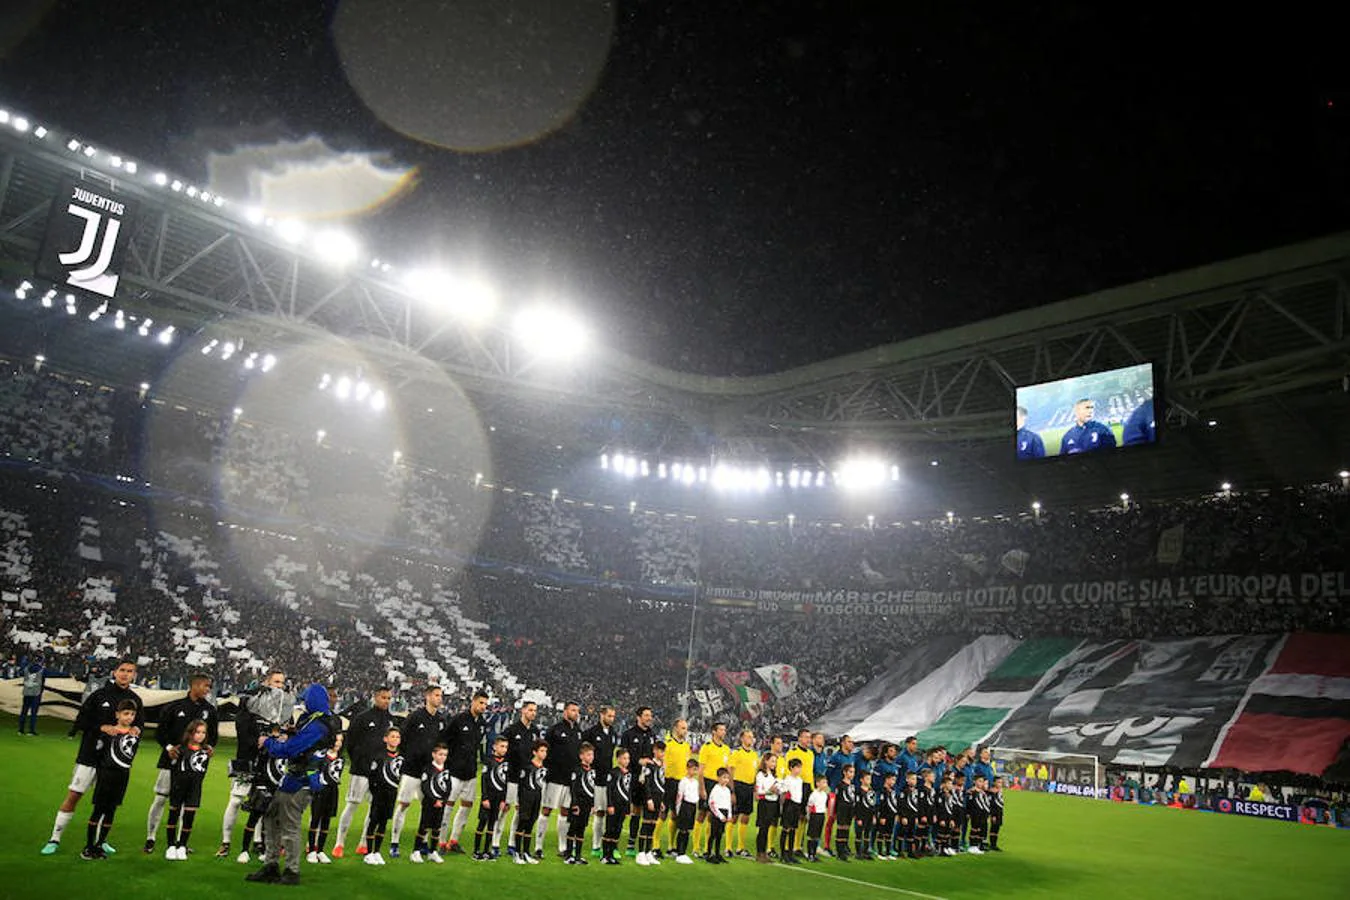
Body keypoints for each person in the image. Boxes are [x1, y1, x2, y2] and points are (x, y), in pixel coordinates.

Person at [42, 658, 143, 856]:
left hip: (114, 763)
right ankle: (54, 838)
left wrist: (136, 729)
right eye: (122, 670)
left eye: (130, 671)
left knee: (107, 803)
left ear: (134, 675)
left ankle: (100, 841)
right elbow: (81, 720)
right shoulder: (99, 695)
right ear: (115, 672)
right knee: (74, 795)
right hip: (90, 756)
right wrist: (101, 727)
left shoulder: (135, 700)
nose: (125, 674)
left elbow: (138, 725)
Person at [244, 683, 339, 886]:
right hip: (294, 778)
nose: (303, 703)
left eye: (306, 699)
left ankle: (291, 870)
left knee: (290, 825)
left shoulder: (317, 726)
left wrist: (268, 742)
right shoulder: (318, 720)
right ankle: (271, 865)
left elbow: (290, 750)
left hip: (301, 781)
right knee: (271, 817)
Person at [224, 670, 292, 863]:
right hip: (247, 760)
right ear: (266, 682)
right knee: (236, 800)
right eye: (276, 682)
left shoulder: (284, 709)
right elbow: (242, 728)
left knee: (263, 803)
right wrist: (258, 741)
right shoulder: (252, 702)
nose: (279, 686)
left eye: (282, 683)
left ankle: (258, 842)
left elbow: (288, 732)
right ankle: (226, 841)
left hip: (269, 764)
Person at [146, 672, 217, 854]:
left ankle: (180, 842)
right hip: (171, 761)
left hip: (193, 765)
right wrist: (169, 747)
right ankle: (151, 837)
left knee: (186, 803)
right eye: (205, 686)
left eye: (209, 687)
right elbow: (160, 732)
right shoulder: (175, 707)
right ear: (194, 685)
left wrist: (209, 747)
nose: (207, 689)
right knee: (162, 798)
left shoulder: (210, 710)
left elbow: (213, 737)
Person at [332, 686, 393, 859]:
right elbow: (350, 742)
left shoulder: (390, 720)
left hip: (380, 773)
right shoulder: (362, 718)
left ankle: (363, 843)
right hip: (361, 770)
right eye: (383, 697)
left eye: (389, 698)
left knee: (374, 809)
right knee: (352, 804)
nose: (386, 701)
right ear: (375, 697)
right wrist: (359, 760)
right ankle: (339, 843)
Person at [81, 699, 140, 860]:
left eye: (132, 714)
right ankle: (88, 846)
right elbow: (98, 752)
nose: (129, 717)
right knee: (98, 810)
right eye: (126, 713)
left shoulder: (134, 734)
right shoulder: (108, 733)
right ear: (117, 714)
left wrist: (135, 729)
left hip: (122, 776)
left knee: (111, 810)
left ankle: (100, 844)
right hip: (106, 774)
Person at [391, 684, 444, 859]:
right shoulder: (415, 716)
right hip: (412, 769)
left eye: (440, 695)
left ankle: (422, 844)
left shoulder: (440, 720)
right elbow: (402, 738)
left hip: (429, 772)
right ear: (427, 696)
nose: (439, 698)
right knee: (404, 804)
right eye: (436, 695)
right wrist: (408, 757)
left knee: (428, 808)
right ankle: (394, 843)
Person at [440, 688, 488, 854]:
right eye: (481, 703)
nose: (483, 706)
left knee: (467, 806)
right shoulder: (458, 720)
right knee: (448, 806)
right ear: (473, 701)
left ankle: (454, 840)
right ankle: (440, 841)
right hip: (454, 771)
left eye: (485, 704)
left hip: (471, 771)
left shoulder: (482, 723)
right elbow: (444, 741)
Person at [163, 718, 213, 860]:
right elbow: (172, 767)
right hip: (178, 786)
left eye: (203, 732)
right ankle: (171, 846)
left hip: (195, 788)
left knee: (189, 817)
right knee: (174, 815)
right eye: (197, 732)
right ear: (190, 733)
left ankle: (183, 845)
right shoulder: (180, 749)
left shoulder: (206, 752)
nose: (201, 735)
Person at [496, 700, 538, 857]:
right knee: (504, 809)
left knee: (521, 812)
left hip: (527, 779)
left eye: (535, 711)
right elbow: (502, 750)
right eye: (530, 710)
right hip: (512, 776)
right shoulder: (511, 730)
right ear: (523, 711)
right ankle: (495, 842)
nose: (533, 713)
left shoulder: (534, 731)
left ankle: (512, 844)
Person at [541, 699, 581, 858]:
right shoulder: (554, 730)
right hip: (554, 777)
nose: (575, 713)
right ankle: (538, 846)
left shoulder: (578, 731)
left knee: (565, 811)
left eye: (577, 711)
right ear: (565, 711)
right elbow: (545, 752)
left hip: (570, 780)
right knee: (546, 810)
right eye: (572, 710)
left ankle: (563, 846)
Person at [579, 705, 616, 858]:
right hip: (591, 779)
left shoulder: (613, 734)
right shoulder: (590, 733)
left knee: (601, 812)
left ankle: (597, 845)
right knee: (584, 811)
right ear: (601, 715)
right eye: (609, 716)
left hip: (605, 779)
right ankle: (574, 842)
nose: (611, 719)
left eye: (613, 716)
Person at [362, 727, 403, 865]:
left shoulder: (399, 758)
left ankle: (377, 852)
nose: (395, 739)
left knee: (384, 822)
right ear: (386, 739)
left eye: (397, 737)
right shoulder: (379, 756)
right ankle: (368, 853)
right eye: (392, 736)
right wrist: (375, 792)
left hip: (391, 794)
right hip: (379, 794)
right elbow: (372, 776)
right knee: (373, 821)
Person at [619, 706, 656, 856]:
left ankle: (645, 843)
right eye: (646, 715)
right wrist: (639, 761)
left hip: (647, 779)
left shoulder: (652, 735)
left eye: (650, 715)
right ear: (638, 717)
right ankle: (630, 842)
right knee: (634, 810)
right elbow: (622, 755)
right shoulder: (628, 734)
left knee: (646, 809)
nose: (649, 718)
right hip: (633, 777)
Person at [305, 732, 345, 864]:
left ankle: (321, 850)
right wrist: (316, 786)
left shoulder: (341, 758)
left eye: (340, 740)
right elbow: (311, 770)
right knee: (315, 819)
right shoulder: (320, 755)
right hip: (320, 791)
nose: (338, 743)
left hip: (333, 792)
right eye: (336, 740)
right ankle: (311, 850)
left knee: (326, 820)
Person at [411, 743, 451, 864]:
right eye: (440, 754)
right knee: (424, 826)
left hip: (441, 803)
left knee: (437, 827)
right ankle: (415, 851)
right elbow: (425, 786)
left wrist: (443, 800)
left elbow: (448, 787)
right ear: (434, 754)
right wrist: (435, 800)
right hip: (430, 802)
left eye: (445, 755)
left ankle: (433, 851)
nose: (442, 757)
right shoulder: (428, 769)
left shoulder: (446, 770)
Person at [695, 721, 730, 855]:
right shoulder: (707, 747)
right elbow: (701, 770)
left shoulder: (726, 749)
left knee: (713, 816)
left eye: (724, 730)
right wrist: (702, 788)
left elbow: (726, 770)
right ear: (714, 732)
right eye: (721, 730)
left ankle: (707, 849)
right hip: (708, 783)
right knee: (702, 814)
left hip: (720, 785)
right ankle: (696, 848)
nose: (723, 732)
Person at [473, 736, 510, 860]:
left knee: (491, 825)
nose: (504, 749)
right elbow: (484, 780)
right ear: (494, 746)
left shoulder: (506, 762)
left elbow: (506, 782)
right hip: (488, 797)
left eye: (506, 747)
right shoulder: (488, 760)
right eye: (502, 746)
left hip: (499, 799)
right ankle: (476, 850)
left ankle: (486, 850)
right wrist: (484, 798)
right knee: (482, 823)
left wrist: (504, 799)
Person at [513, 739, 548, 865]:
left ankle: (526, 852)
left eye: (545, 751)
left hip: (537, 798)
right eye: (542, 751)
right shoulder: (527, 767)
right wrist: (518, 801)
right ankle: (517, 853)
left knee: (530, 825)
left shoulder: (544, 768)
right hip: (526, 798)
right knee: (522, 824)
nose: (544, 754)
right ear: (535, 752)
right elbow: (521, 784)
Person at [660, 718, 691, 858]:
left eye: (686, 728)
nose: (685, 731)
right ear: (676, 729)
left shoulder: (686, 746)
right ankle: (655, 846)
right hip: (669, 782)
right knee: (663, 812)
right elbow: (662, 765)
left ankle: (671, 846)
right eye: (683, 728)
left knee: (675, 814)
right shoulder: (668, 744)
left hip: (681, 783)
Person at [565, 741, 597, 865]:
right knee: (573, 828)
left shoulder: (592, 770)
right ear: (581, 756)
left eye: (592, 755)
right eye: (588, 755)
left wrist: (593, 804)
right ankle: (568, 855)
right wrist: (574, 804)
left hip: (587, 804)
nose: (591, 757)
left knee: (581, 829)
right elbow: (573, 788)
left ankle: (578, 855)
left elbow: (592, 787)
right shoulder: (577, 770)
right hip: (578, 803)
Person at [728, 729, 759, 858]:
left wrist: (755, 789)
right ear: (742, 739)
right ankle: (728, 847)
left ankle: (741, 847)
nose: (751, 739)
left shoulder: (754, 755)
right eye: (748, 737)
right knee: (734, 816)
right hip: (738, 785)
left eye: (752, 737)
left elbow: (755, 773)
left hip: (749, 787)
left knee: (746, 816)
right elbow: (730, 771)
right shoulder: (736, 753)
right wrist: (732, 791)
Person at [634, 740, 665, 866]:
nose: (662, 753)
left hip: (658, 798)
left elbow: (662, 784)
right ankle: (640, 853)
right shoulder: (649, 765)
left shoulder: (661, 766)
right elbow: (646, 783)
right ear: (654, 750)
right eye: (659, 751)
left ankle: (648, 852)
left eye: (663, 751)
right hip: (650, 798)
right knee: (646, 824)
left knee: (652, 825)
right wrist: (648, 799)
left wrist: (662, 801)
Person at [601, 747, 632, 865]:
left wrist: (628, 806)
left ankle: (612, 854)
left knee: (618, 830)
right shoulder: (613, 772)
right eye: (624, 758)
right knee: (610, 829)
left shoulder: (629, 774)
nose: (626, 760)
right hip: (614, 805)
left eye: (628, 758)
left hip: (623, 806)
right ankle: (605, 855)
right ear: (618, 759)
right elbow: (609, 790)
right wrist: (609, 804)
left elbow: (628, 791)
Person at [753, 752, 780, 863]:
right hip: (765, 803)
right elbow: (759, 792)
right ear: (766, 761)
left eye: (775, 761)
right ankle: (760, 853)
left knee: (767, 828)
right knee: (763, 829)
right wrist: (770, 791)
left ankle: (763, 853)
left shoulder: (773, 775)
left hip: (773, 803)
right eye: (772, 761)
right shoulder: (760, 775)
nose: (774, 763)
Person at [672, 759, 700, 864]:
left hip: (692, 806)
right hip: (685, 806)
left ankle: (683, 852)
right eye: (693, 769)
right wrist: (678, 810)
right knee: (682, 829)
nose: (695, 772)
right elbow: (680, 796)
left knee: (688, 830)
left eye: (696, 770)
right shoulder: (683, 781)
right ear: (688, 769)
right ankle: (679, 852)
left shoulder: (696, 782)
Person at [705, 767, 733, 864]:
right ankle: (708, 853)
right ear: (718, 778)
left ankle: (717, 853)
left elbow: (728, 803)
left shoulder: (727, 790)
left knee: (720, 834)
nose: (726, 780)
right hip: (717, 814)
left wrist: (729, 814)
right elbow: (712, 803)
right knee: (713, 834)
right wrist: (720, 815)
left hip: (725, 812)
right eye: (723, 777)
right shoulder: (716, 789)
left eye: (727, 778)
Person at [832, 763, 857, 861]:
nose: (852, 774)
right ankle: (840, 852)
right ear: (844, 772)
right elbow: (837, 799)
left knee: (846, 830)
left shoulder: (852, 786)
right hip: (842, 809)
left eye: (853, 772)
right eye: (850, 772)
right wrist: (835, 812)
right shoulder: (840, 785)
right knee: (841, 830)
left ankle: (844, 850)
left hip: (850, 810)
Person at [19, 658, 46, 736]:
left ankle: (21, 729)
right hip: (36, 693)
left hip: (27, 692)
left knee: (24, 711)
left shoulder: (26, 668)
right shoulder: (42, 670)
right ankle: (31, 730)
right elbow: (54, 674)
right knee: (33, 713)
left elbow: (20, 673)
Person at [805, 775, 829, 863]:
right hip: (814, 816)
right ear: (817, 783)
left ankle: (814, 854)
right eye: (823, 782)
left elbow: (824, 806)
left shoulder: (824, 795)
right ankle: (810, 854)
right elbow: (809, 806)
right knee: (812, 835)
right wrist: (808, 816)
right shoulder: (814, 794)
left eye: (826, 782)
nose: (825, 784)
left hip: (821, 815)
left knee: (817, 836)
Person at [876, 771, 899, 859]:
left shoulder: (893, 791)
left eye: (894, 780)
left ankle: (888, 852)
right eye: (892, 780)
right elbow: (881, 805)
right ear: (887, 780)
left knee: (889, 834)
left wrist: (896, 814)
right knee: (881, 833)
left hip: (892, 815)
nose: (894, 782)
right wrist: (882, 816)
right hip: (884, 816)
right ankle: (880, 852)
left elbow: (895, 803)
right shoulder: (882, 791)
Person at [966, 774, 990, 854]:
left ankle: (976, 845)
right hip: (974, 813)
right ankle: (971, 846)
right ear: (974, 781)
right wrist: (968, 812)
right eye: (979, 781)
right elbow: (969, 803)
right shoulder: (972, 791)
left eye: (982, 782)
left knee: (979, 829)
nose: (981, 783)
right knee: (974, 828)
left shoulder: (982, 792)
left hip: (981, 814)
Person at [988, 776, 1005, 852]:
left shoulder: (1000, 790)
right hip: (995, 812)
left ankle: (995, 844)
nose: (1000, 784)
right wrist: (993, 815)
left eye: (1001, 782)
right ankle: (992, 844)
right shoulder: (992, 792)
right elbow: (992, 804)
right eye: (998, 782)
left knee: (997, 828)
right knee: (994, 828)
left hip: (1000, 811)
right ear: (994, 783)